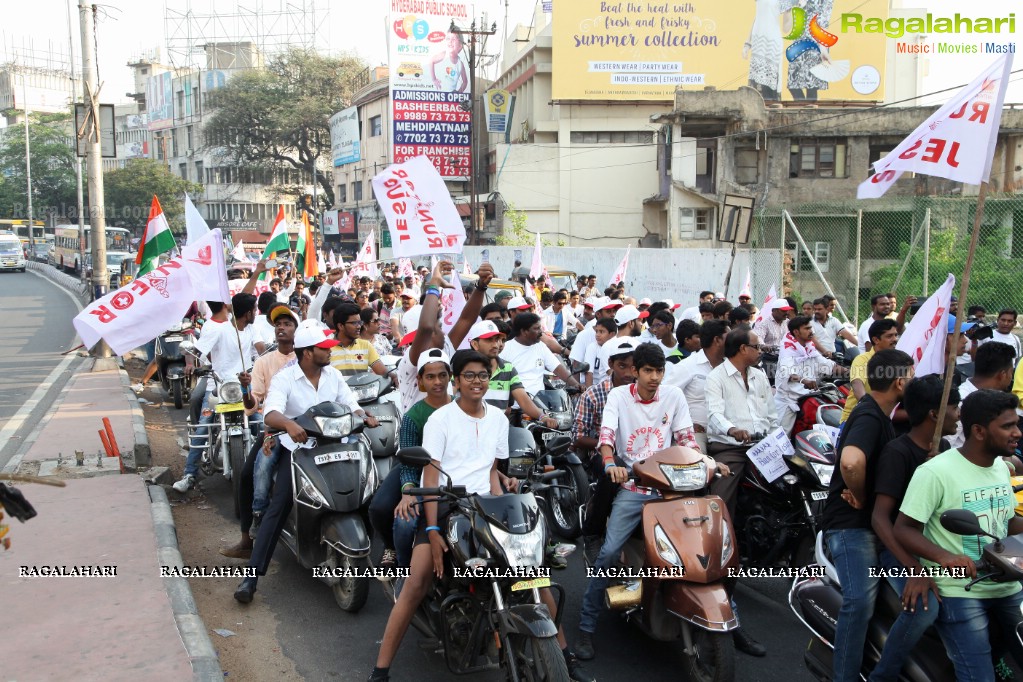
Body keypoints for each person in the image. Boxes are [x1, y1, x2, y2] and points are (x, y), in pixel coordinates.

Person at [368, 349, 593, 682]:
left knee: (535, 576)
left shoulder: (499, 419)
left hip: (484, 504)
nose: (477, 381)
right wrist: (431, 532)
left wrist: (503, 509)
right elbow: (431, 478)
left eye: (483, 375)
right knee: (416, 583)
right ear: (457, 381)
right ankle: (381, 670)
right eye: (469, 376)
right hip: (444, 504)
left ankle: (566, 658)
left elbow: (490, 471)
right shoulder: (439, 420)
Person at [576, 343, 736, 660]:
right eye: (648, 370)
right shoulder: (619, 397)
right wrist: (611, 464)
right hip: (635, 489)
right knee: (608, 554)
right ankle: (586, 628)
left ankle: (734, 626)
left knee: (711, 550)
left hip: (673, 490)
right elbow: (607, 437)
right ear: (636, 371)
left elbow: (687, 439)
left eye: (659, 371)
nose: (654, 377)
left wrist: (707, 462)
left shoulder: (673, 396)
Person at [233, 320, 379, 603]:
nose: (330, 351)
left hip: (337, 446)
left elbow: (351, 404)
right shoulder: (285, 378)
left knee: (370, 490)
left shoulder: (333, 375)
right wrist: (288, 424)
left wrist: (365, 416)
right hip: (300, 452)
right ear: (308, 352)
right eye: (324, 348)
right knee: (278, 508)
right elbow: (270, 413)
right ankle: (251, 578)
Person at [894, 389, 1023, 681]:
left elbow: (1005, 521)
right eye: (1007, 426)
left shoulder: (1000, 468)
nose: (1017, 432)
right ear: (978, 431)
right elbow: (903, 528)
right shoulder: (936, 472)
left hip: (1008, 584)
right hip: (961, 591)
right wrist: (945, 557)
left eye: (1016, 424)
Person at [820, 349, 915, 682]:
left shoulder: (883, 416)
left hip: (880, 526)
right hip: (850, 527)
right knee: (860, 600)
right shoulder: (870, 415)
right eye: (912, 375)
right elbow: (850, 462)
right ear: (900, 382)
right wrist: (860, 497)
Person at [868, 375, 960, 682]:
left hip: (935, 547)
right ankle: (884, 675)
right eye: (954, 406)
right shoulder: (898, 452)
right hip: (900, 552)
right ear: (934, 414)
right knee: (924, 609)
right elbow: (881, 519)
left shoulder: (945, 447)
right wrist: (913, 569)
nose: (958, 413)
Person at [220, 304, 300, 558]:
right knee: (248, 475)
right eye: (277, 324)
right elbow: (252, 404)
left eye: (287, 323)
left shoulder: (306, 358)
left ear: (298, 329)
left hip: (307, 431)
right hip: (274, 431)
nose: (281, 328)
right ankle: (249, 533)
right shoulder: (264, 362)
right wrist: (244, 390)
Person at [369, 349, 452, 571]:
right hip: (416, 468)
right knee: (382, 509)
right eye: (430, 376)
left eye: (442, 375)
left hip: (452, 474)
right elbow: (408, 459)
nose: (437, 382)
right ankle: (395, 553)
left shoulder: (461, 408)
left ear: (450, 376)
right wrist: (408, 492)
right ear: (420, 381)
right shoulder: (414, 416)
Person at [173, 294, 262, 493]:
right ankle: (189, 475)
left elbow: (261, 350)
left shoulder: (251, 329)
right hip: (218, 387)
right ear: (248, 313)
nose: (256, 312)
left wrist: (270, 355)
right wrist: (192, 364)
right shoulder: (220, 330)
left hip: (244, 388)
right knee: (203, 428)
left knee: (263, 426)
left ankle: (268, 469)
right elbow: (197, 350)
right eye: (254, 309)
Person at [573, 338, 638, 561]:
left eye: (634, 367)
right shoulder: (592, 395)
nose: (629, 373)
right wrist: (607, 447)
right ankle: (593, 533)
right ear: (610, 364)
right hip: (602, 455)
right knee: (615, 469)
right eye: (623, 366)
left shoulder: (645, 392)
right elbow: (579, 437)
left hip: (640, 454)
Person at [705, 328, 778, 520]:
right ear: (743, 348)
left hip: (763, 447)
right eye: (757, 347)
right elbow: (714, 414)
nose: (761, 351)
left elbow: (772, 416)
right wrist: (732, 430)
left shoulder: (760, 376)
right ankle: (719, 539)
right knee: (720, 501)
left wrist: (780, 443)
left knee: (789, 485)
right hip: (732, 449)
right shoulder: (716, 377)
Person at [468, 319, 557, 424]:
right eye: (489, 340)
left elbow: (523, 399)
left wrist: (543, 417)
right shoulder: (463, 368)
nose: (495, 345)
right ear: (475, 344)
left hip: (499, 432)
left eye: (497, 339)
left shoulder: (508, 368)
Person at [775, 315, 839, 435]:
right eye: (807, 328)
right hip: (789, 400)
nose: (811, 331)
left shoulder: (809, 347)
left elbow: (827, 364)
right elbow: (787, 373)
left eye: (811, 328)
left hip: (807, 396)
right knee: (781, 436)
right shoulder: (787, 350)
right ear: (796, 332)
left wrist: (852, 372)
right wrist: (804, 380)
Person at [949, 341, 1017, 450]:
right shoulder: (960, 400)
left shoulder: (999, 398)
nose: (1011, 377)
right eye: (1011, 372)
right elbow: (947, 445)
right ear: (1003, 374)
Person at [502, 313, 582, 396]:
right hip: (515, 406)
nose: (541, 332)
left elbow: (557, 368)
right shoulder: (505, 349)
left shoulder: (540, 346)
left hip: (540, 403)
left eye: (540, 328)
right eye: (536, 328)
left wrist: (575, 384)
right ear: (524, 331)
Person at [840, 319, 899, 423]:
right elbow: (857, 384)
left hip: (884, 418)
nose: (895, 339)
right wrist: (869, 406)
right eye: (889, 336)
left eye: (896, 335)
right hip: (856, 420)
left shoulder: (897, 360)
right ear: (876, 340)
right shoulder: (862, 360)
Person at [329, 303, 396, 386]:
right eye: (354, 323)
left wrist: (393, 377)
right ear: (340, 326)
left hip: (363, 396)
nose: (359, 326)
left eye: (359, 322)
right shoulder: (327, 348)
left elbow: (383, 371)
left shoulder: (366, 345)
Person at [583, 318, 617, 387]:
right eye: (596, 331)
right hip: (597, 386)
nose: (597, 335)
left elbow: (613, 374)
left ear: (612, 334)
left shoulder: (616, 346)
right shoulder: (592, 347)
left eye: (601, 332)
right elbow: (589, 372)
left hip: (614, 384)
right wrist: (589, 392)